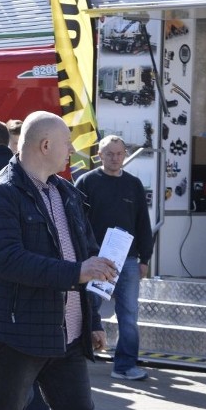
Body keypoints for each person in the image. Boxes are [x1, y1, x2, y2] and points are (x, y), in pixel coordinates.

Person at [0, 111, 116, 410]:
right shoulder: (0, 193)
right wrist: (76, 272)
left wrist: (92, 319)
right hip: (17, 337)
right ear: (45, 145)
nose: (71, 151)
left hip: (66, 338)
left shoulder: (64, 191)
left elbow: (82, 254)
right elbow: (7, 261)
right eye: (66, 143)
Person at [75, 134, 154, 381]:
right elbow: (76, 222)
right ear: (100, 155)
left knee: (129, 315)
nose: (115, 158)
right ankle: (77, 363)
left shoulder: (134, 184)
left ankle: (125, 366)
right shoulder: (86, 182)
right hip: (97, 260)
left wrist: (145, 259)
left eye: (119, 153)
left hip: (128, 261)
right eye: (109, 153)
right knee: (88, 311)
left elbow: (143, 223)